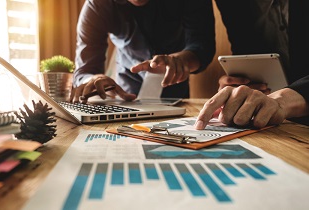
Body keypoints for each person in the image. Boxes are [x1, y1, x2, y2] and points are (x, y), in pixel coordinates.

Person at [70, 0, 215, 103]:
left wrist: (182, 61)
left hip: (177, 96)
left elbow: (203, 45)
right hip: (126, 94)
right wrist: (93, 80)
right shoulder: (97, 5)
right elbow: (85, 70)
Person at [195, 0, 309, 129]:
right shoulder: (230, 4)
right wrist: (240, 84)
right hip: (274, 125)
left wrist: (282, 100)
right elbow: (244, 50)